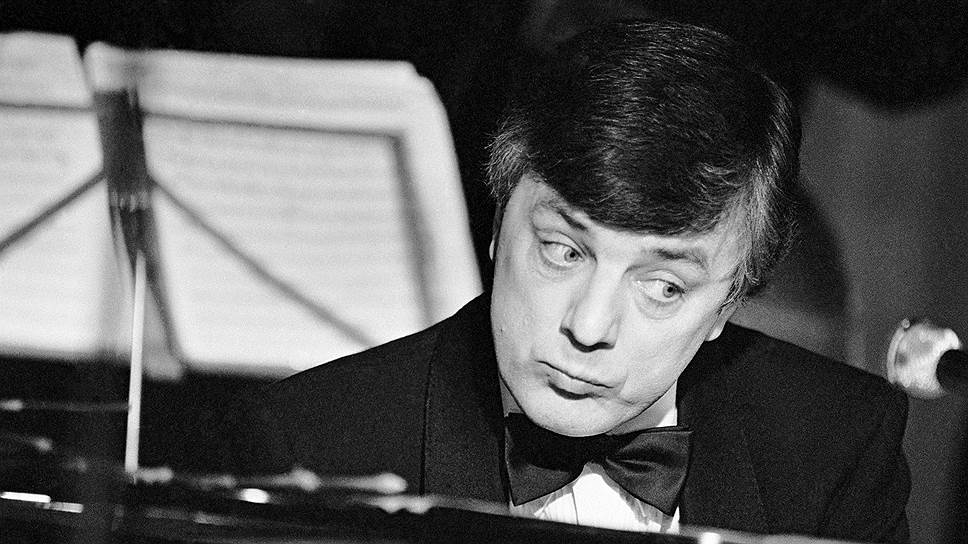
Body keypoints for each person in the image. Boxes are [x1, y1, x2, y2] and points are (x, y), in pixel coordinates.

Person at [224, 19, 909, 542]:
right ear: (499, 221)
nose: (587, 327)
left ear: (730, 301)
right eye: (562, 251)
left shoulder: (837, 447)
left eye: (664, 287)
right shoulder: (311, 447)